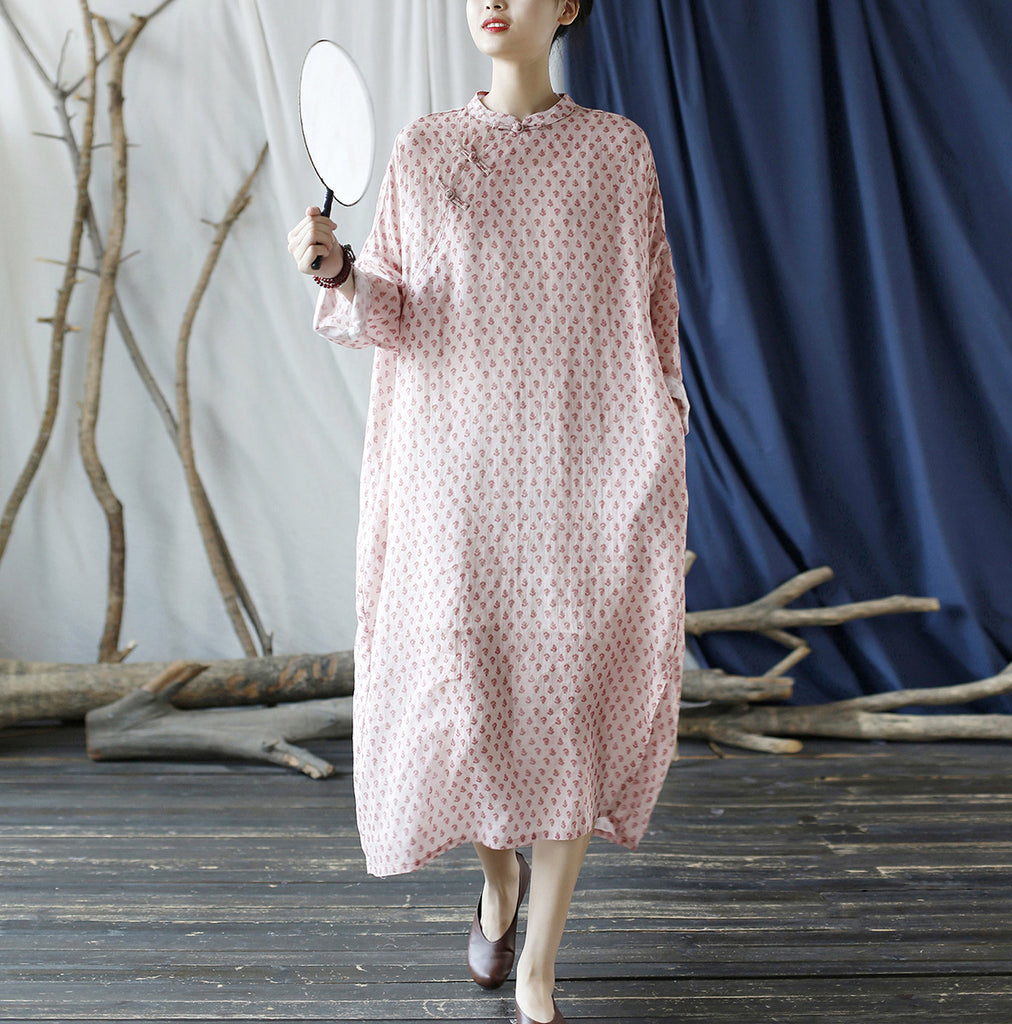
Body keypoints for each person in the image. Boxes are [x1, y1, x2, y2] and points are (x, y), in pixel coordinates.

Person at [286, 2, 688, 1021]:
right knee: (471, 702)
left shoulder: (618, 152)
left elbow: (652, 315)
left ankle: (539, 968)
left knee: (567, 710)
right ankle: (497, 879)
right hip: (453, 481)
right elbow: (392, 311)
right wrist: (340, 270)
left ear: (567, 8)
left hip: (584, 478)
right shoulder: (424, 150)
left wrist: (661, 433)